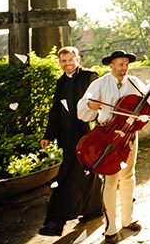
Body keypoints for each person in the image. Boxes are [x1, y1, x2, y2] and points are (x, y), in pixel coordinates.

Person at [78, 50, 150, 244]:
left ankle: (127, 220)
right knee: (110, 180)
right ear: (111, 65)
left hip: (129, 138)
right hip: (106, 138)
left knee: (128, 176)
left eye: (126, 64)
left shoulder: (133, 82)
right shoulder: (99, 84)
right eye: (120, 64)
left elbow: (148, 101)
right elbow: (82, 107)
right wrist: (90, 106)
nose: (124, 68)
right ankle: (110, 228)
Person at [38, 46, 103, 236]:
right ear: (59, 63)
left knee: (71, 176)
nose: (67, 64)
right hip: (68, 138)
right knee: (84, 173)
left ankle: (56, 221)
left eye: (70, 59)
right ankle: (93, 210)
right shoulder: (60, 82)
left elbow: (100, 104)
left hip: (87, 135)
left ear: (78, 59)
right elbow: (56, 112)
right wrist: (48, 135)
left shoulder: (90, 77)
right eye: (63, 61)